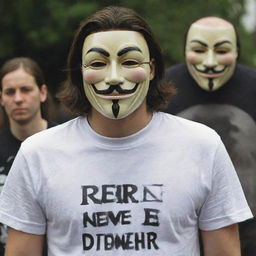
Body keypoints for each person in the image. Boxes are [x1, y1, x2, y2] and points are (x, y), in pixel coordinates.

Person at [0, 7, 252, 256]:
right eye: (98, 63)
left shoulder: (203, 146)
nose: (113, 77)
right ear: (81, 71)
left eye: (129, 61)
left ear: (152, 69)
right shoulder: (38, 154)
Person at [164, 16, 256, 255]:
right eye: (198, 49)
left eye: (222, 50)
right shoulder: (162, 89)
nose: (210, 61)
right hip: (179, 225)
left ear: (237, 51)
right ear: (184, 50)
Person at [0, 57, 57, 254]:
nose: (18, 99)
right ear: (1, 98)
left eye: (25, 90)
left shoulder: (66, 146)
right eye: (10, 92)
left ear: (42, 93)